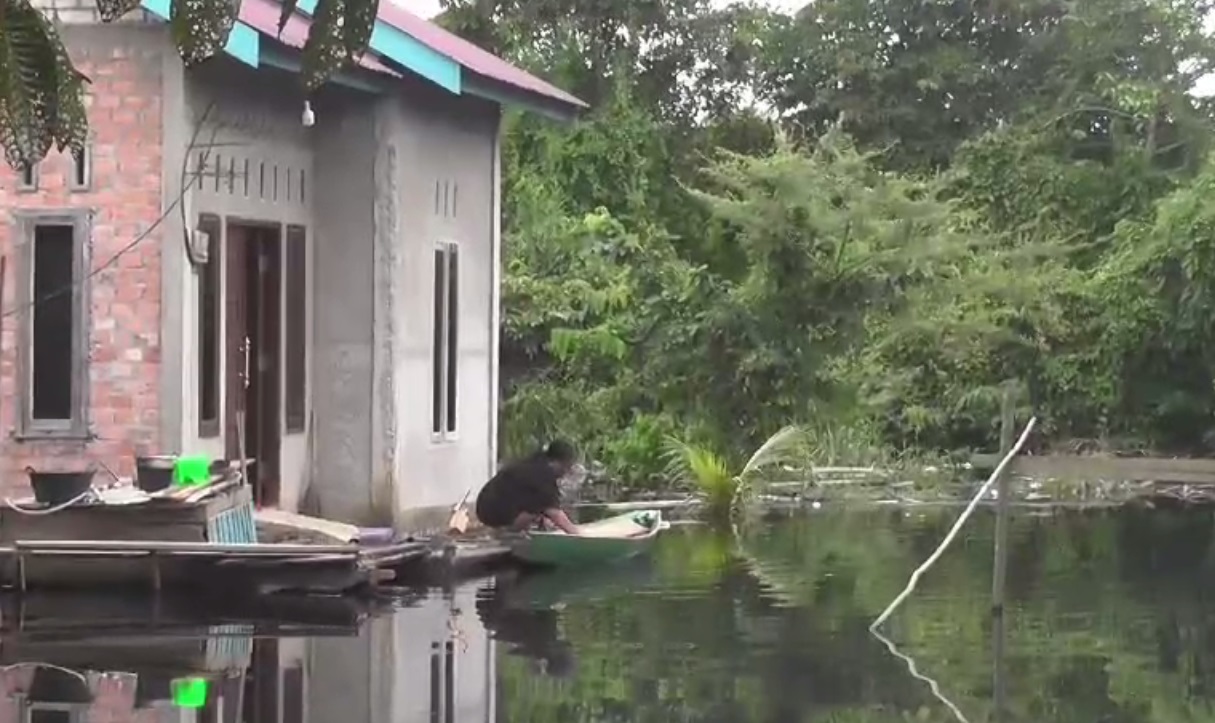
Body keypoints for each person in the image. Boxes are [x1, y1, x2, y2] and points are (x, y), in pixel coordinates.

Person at [475, 441, 581, 535]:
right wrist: (578, 535)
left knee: (539, 507)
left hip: (486, 505)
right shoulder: (543, 475)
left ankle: (507, 529)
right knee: (539, 509)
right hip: (492, 510)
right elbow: (556, 514)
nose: (567, 471)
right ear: (557, 462)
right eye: (567, 466)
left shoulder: (535, 462)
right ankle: (508, 533)